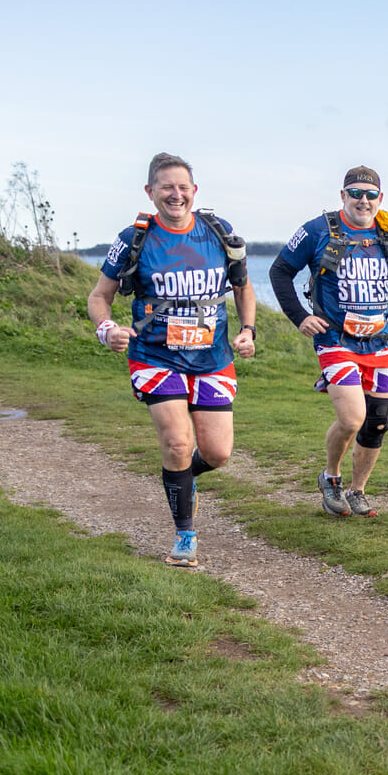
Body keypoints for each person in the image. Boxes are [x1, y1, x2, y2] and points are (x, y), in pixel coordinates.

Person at [87, 151, 257, 568]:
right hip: (155, 356)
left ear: (194, 191)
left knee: (217, 453)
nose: (175, 194)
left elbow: (243, 288)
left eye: (183, 187)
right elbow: (99, 296)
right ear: (150, 192)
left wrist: (248, 330)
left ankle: (183, 477)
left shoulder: (218, 232)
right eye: (167, 187)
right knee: (178, 442)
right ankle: (185, 536)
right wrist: (107, 329)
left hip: (212, 357)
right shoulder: (135, 239)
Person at [268, 165, 388, 519]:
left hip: (380, 342)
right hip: (335, 340)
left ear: (380, 198)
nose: (363, 200)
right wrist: (300, 317)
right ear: (343, 195)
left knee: (377, 422)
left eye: (370, 194)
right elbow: (280, 271)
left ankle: (357, 491)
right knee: (352, 418)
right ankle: (331, 477)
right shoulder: (317, 230)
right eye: (355, 193)